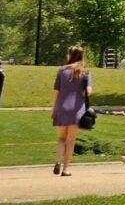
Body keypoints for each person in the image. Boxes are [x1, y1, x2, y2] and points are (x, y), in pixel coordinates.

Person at [50, 45, 91, 177]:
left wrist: (53, 109)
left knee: (61, 138)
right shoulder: (85, 71)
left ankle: (57, 161)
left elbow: (56, 92)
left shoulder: (61, 70)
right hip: (76, 108)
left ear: (69, 55)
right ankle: (66, 169)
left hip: (61, 107)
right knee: (70, 140)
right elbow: (89, 92)